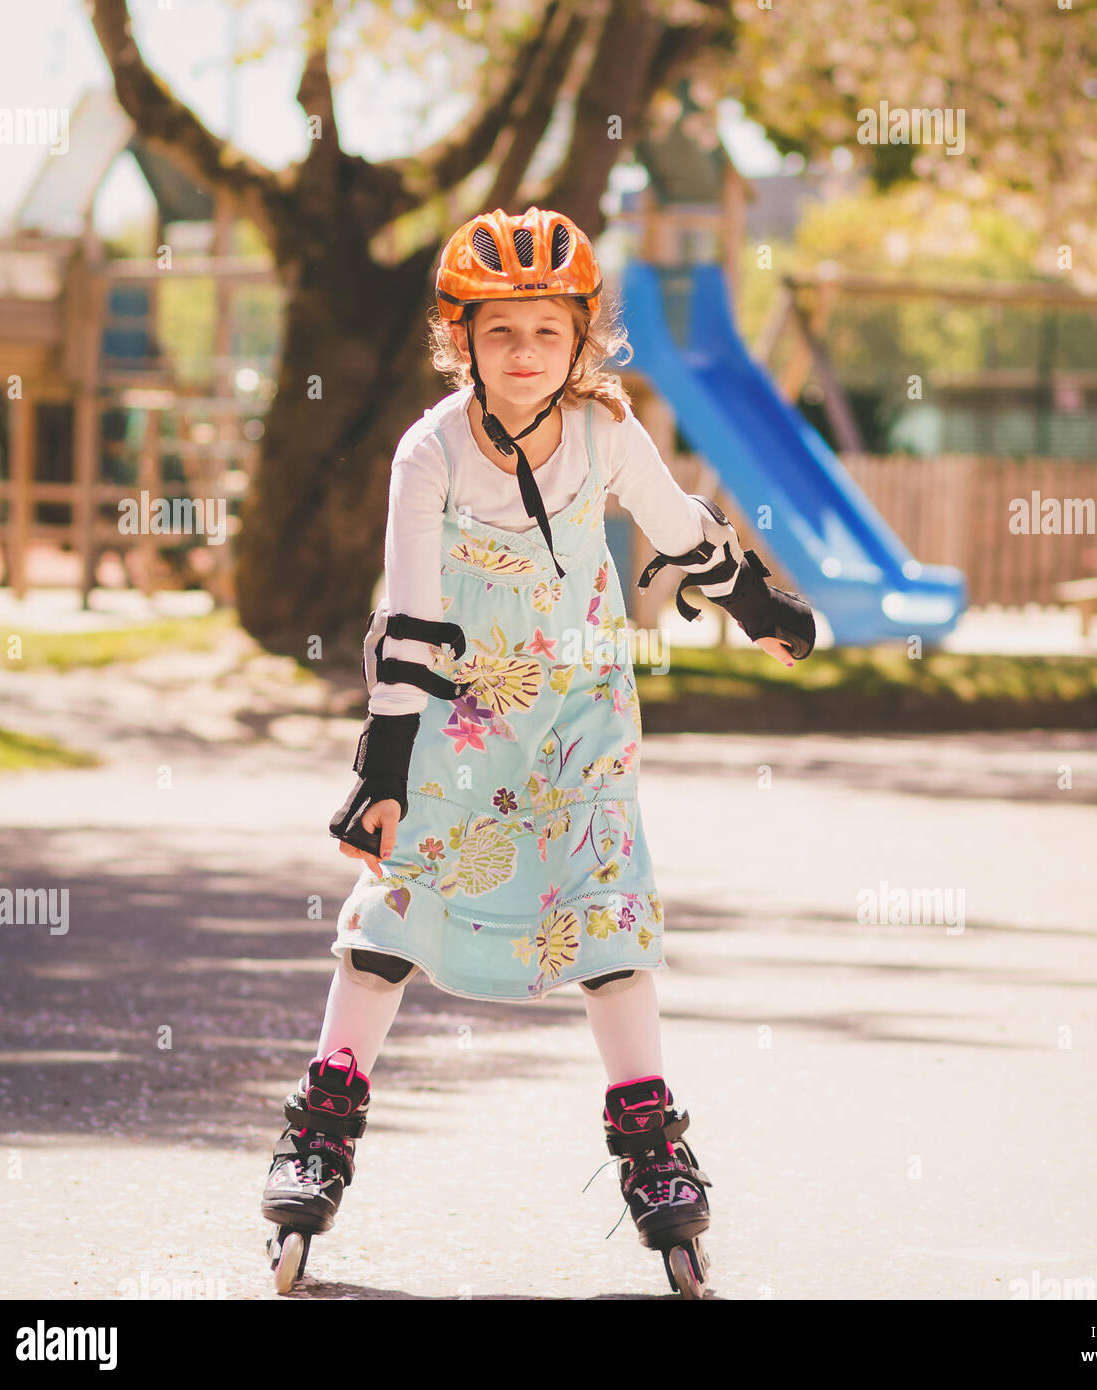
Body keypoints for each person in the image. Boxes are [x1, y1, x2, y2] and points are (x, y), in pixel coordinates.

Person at [261, 207, 816, 1295]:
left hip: (578, 712)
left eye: (547, 333)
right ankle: (322, 1126)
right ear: (459, 339)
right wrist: (382, 772)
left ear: (581, 342)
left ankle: (653, 1148)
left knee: (608, 898)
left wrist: (754, 598)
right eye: (501, 332)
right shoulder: (429, 452)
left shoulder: (607, 432)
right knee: (398, 903)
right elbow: (410, 623)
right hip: (456, 717)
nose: (525, 355)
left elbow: (674, 524)